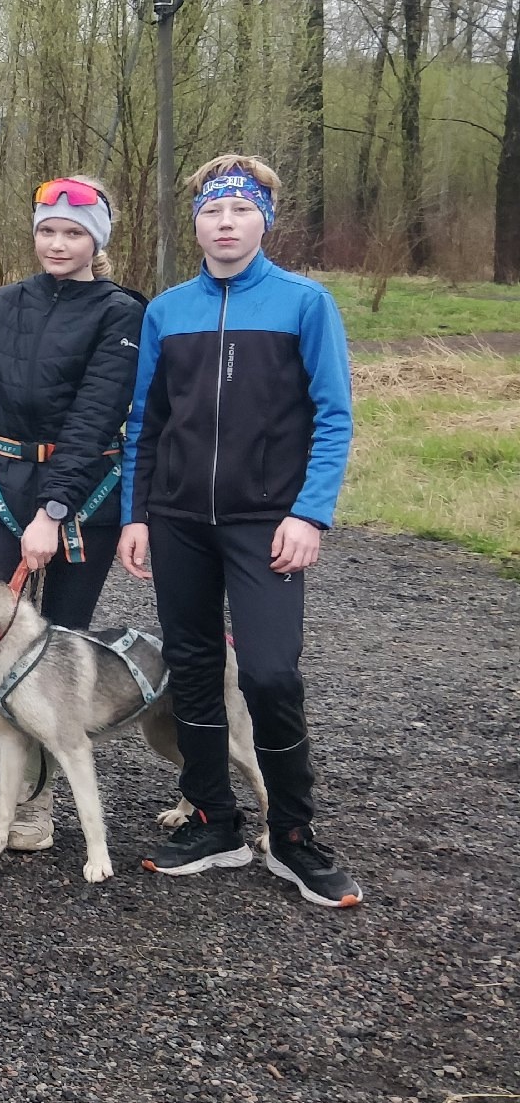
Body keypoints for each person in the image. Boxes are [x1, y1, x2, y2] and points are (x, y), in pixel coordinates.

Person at [121, 155, 362, 907]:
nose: (225, 224)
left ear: (265, 220)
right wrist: (136, 513)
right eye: (212, 212)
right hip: (179, 520)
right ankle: (212, 820)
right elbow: (145, 422)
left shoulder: (305, 303)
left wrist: (310, 512)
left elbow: (334, 415)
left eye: (241, 211)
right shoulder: (167, 311)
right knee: (192, 668)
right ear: (195, 222)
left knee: (269, 673)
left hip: (269, 523)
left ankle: (292, 832)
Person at [0, 176, 145, 843]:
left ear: (96, 241)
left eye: (73, 233)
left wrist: (55, 509)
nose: (58, 243)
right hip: (0, 490)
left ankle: (35, 805)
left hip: (84, 500)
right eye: (48, 230)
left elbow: (95, 414)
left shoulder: (121, 314)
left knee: (55, 650)